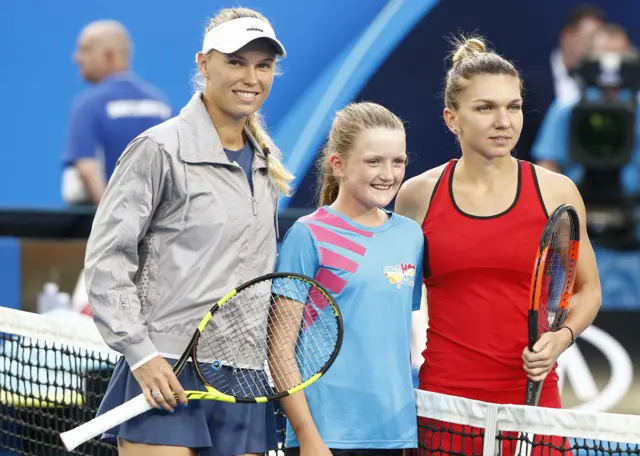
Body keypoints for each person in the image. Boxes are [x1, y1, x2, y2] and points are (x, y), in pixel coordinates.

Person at [83, 8, 293, 456]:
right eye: (235, 61)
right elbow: (107, 263)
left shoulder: (265, 162)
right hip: (166, 369)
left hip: (243, 376)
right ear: (203, 64)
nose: (251, 77)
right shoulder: (157, 149)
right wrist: (141, 354)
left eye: (263, 65)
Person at [395, 37, 602, 455]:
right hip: (445, 406)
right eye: (485, 108)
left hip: (534, 405)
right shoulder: (416, 195)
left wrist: (561, 337)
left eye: (514, 106)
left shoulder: (556, 191)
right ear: (452, 119)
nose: (503, 121)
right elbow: (395, 298)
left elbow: (588, 290)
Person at [275, 102, 425, 456]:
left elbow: (393, 339)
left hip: (395, 435)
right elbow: (280, 351)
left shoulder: (410, 236)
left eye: (398, 161)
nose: (388, 173)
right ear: (338, 165)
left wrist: (403, 431)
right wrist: (308, 437)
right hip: (325, 438)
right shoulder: (307, 235)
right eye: (374, 161)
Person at [62, 20, 173, 206]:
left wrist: (112, 220)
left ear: (108, 56)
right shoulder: (162, 104)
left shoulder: (89, 105)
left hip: (113, 226)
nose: (77, 58)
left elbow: (86, 169)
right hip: (159, 226)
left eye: (85, 50)